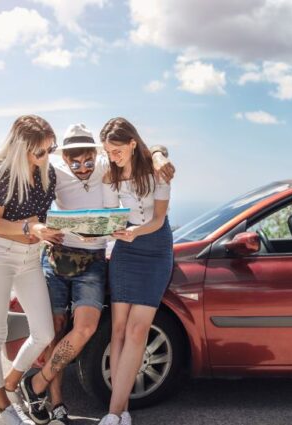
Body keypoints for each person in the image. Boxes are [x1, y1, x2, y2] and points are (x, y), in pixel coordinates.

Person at [17, 123, 175, 425]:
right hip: (88, 255)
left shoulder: (130, 168)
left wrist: (158, 155)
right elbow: (101, 211)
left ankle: (115, 412)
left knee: (124, 330)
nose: (83, 166)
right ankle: (80, 406)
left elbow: (157, 211)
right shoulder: (94, 171)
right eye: (74, 161)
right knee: (95, 330)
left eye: (91, 158)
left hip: (131, 252)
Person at [0, 115, 63, 425]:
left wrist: (52, 232)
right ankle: (3, 409)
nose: (46, 157)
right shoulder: (0, 173)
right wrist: (31, 227)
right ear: (21, 148)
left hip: (30, 258)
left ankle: (13, 382)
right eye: (40, 151)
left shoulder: (47, 174)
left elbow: (43, 219)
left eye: (50, 149)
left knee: (43, 332)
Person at [100, 117, 174, 425]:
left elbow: (157, 220)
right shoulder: (109, 176)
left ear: (132, 144)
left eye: (116, 150)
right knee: (118, 331)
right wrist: (111, 232)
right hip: (125, 251)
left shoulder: (158, 172)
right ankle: (122, 411)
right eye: (108, 151)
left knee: (137, 330)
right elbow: (111, 217)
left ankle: (113, 413)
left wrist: (135, 231)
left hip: (155, 248)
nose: (112, 157)